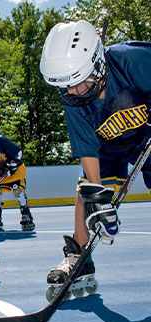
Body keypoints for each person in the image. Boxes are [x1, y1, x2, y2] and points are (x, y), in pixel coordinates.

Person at [38, 20, 151, 293]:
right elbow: (88, 149)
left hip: (145, 134)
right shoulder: (73, 98)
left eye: (76, 83)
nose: (71, 92)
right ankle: (79, 259)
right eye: (64, 87)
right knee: (86, 196)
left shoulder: (132, 60)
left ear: (97, 64)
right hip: (107, 147)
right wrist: (99, 201)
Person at [0, 134, 33, 231]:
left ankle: (26, 215)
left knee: (18, 192)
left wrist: (12, 164)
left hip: (16, 171)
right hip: (2, 174)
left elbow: (18, 151)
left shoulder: (0, 140)